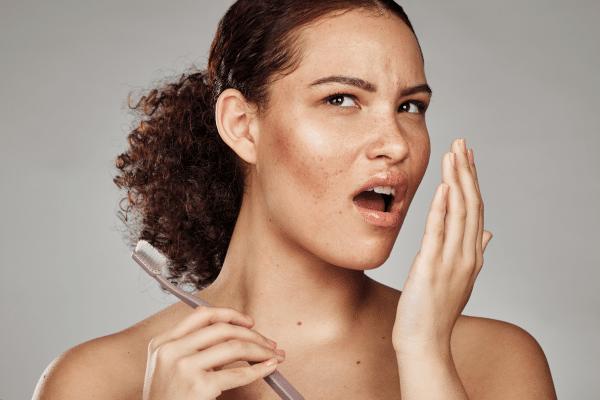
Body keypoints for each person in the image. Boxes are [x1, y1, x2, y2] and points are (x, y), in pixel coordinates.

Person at [33, 0, 558, 398]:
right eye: (341, 98)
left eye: (410, 106)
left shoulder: (495, 362)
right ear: (243, 126)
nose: (398, 144)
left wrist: (425, 354)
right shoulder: (94, 382)